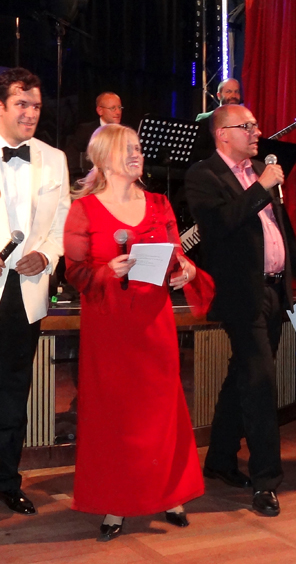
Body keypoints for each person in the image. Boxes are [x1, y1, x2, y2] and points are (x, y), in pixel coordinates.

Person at [63, 123, 210, 541]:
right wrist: (106, 271)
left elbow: (177, 257)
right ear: (103, 158)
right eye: (126, 149)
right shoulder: (83, 210)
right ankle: (115, 502)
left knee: (161, 411)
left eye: (138, 148)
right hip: (109, 327)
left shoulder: (159, 204)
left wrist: (186, 271)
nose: (136, 155)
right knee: (114, 416)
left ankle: (170, 494)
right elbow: (75, 272)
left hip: (153, 322)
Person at [184, 104, 296, 517]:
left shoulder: (261, 170)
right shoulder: (204, 175)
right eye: (247, 126)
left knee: (242, 376)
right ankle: (266, 480)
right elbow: (219, 225)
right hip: (240, 295)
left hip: (274, 292)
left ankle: (220, 458)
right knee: (261, 383)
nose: (257, 131)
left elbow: (283, 233)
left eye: (256, 125)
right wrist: (261, 187)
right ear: (223, 134)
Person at [0, 67, 71, 538]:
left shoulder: (54, 158)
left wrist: (47, 256)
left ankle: (6, 482)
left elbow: (61, 222)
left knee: (14, 395)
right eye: (21, 104)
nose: (30, 113)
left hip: (28, 291)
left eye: (36, 105)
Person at [67, 91, 124, 178]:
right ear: (100, 110)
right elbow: (72, 157)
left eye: (119, 107)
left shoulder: (125, 132)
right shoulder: (86, 130)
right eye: (113, 108)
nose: (118, 112)